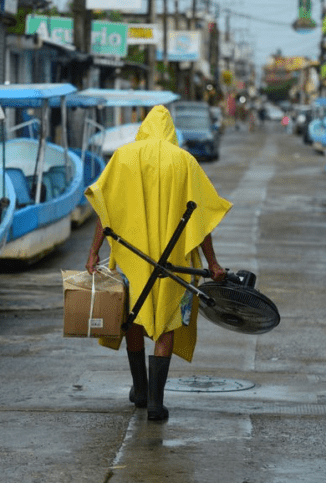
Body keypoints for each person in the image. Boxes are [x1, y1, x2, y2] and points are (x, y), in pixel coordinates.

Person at [85, 105, 232, 422]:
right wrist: (213, 263)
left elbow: (104, 210)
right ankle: (154, 402)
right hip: (173, 262)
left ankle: (139, 390)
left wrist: (94, 252)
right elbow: (201, 220)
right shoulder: (184, 161)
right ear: (169, 130)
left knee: (134, 318)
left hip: (132, 258)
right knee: (165, 323)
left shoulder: (123, 157)